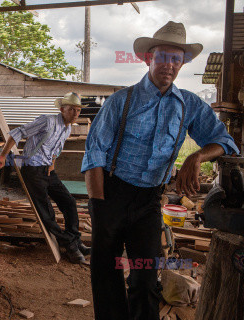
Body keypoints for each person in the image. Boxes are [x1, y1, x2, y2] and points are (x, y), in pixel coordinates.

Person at [81, 21, 240, 320]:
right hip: (111, 194)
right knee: (106, 271)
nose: (169, 65)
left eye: (176, 59)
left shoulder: (189, 105)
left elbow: (226, 142)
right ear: (148, 58)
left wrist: (197, 156)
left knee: (144, 276)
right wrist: (98, 205)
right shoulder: (121, 101)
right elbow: (94, 154)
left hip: (149, 202)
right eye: (163, 57)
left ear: (182, 64)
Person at [0, 92, 91, 264]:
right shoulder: (47, 121)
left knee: (69, 202)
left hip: (47, 170)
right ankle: (70, 246)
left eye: (78, 110)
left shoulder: (67, 127)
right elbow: (17, 132)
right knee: (46, 213)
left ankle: (76, 240)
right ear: (62, 109)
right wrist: (3, 155)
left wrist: (51, 166)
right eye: (72, 109)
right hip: (32, 170)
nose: (76, 113)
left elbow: (55, 150)